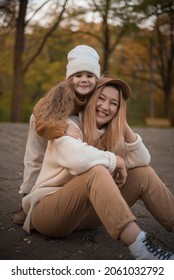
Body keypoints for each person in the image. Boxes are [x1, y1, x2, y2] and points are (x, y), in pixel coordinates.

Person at [22, 77, 174, 260]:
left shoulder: (111, 134)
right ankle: (142, 248)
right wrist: (115, 160)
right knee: (97, 171)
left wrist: (123, 124)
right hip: (49, 213)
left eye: (113, 103)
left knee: (144, 173)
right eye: (101, 98)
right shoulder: (68, 125)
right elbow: (79, 159)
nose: (105, 106)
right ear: (91, 99)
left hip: (83, 216)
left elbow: (143, 159)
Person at [13, 45, 101, 225]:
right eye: (78, 75)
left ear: (96, 79)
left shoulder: (97, 96)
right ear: (70, 78)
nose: (84, 80)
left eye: (89, 76)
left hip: (66, 125)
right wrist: (63, 128)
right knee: (36, 158)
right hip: (43, 122)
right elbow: (42, 121)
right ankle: (27, 199)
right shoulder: (60, 93)